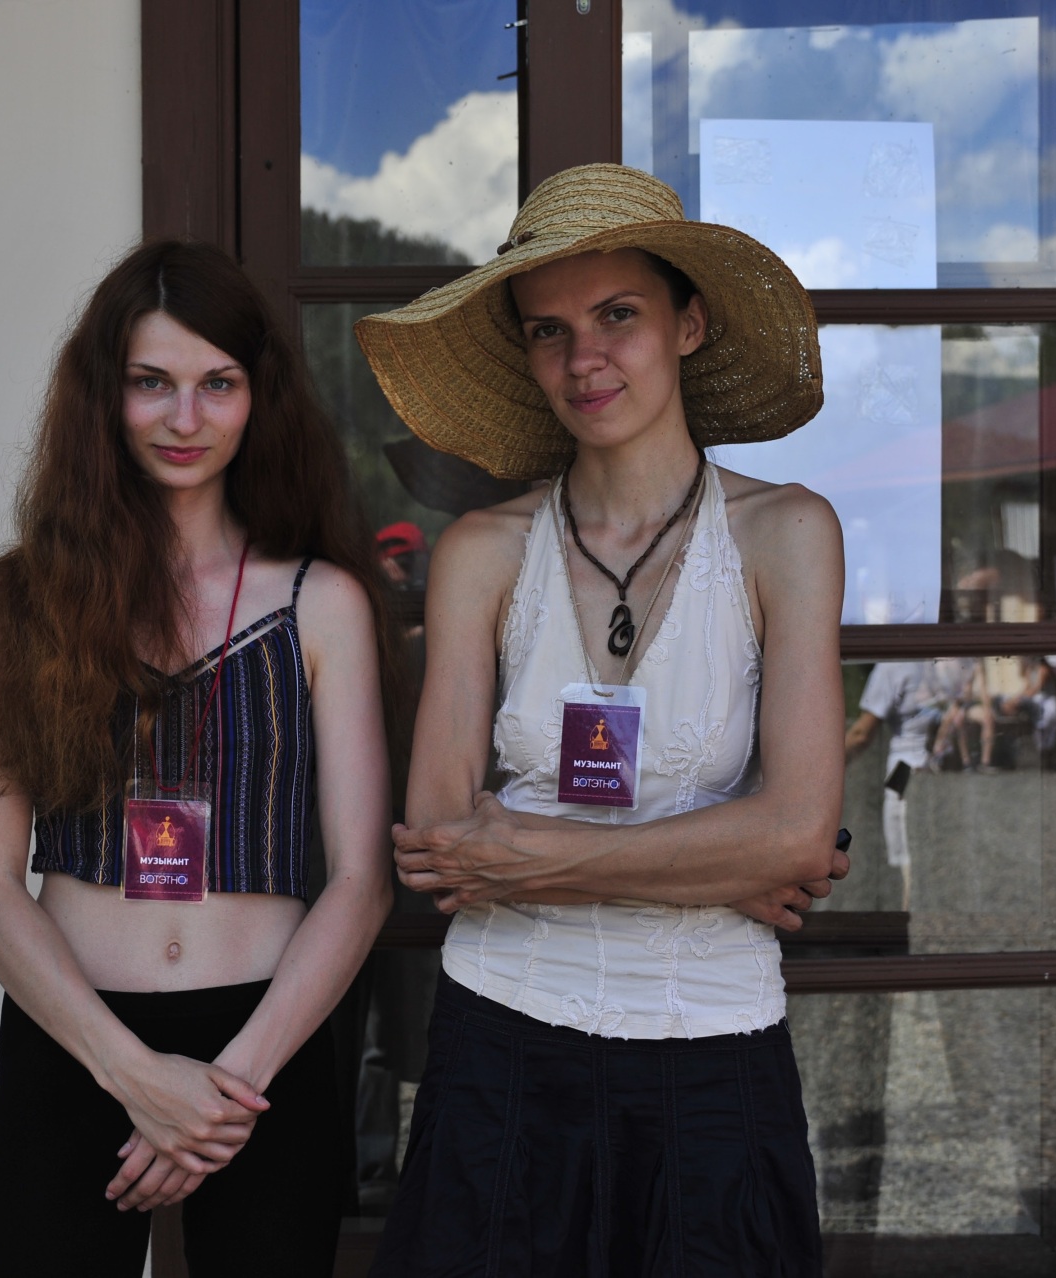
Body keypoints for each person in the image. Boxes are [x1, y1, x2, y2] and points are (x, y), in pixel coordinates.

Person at [358, 164, 850, 1275]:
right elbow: (441, 844)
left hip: (709, 1042)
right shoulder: (483, 551)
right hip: (501, 1039)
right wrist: (718, 864)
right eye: (550, 331)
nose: (584, 358)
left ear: (690, 324)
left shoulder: (786, 534)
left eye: (618, 315)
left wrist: (532, 854)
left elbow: (796, 835)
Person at [0, 240, 395, 1275]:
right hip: (74, 1042)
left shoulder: (320, 603)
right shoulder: (20, 607)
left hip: (267, 1048)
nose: (185, 418)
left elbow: (362, 882)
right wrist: (135, 1076)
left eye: (217, 384)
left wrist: (226, 1090)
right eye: (151, 382)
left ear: (258, 398)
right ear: (103, 397)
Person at [845, 661, 945, 911]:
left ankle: (912, 927)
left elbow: (861, 733)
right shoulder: (948, 660)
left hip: (908, 772)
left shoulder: (893, 665)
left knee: (910, 868)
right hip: (943, 772)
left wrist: (826, 767)